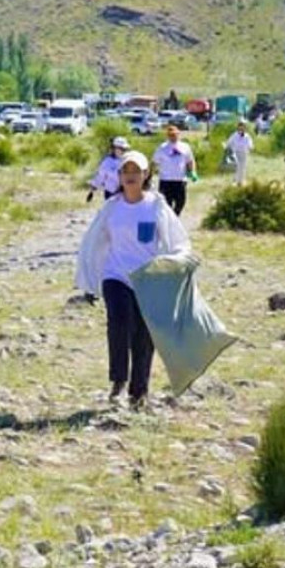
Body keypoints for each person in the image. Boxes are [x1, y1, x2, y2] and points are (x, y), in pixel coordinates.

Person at [77, 150, 189, 410]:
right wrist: (91, 272)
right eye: (125, 172)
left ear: (145, 174)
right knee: (119, 321)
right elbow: (94, 240)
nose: (130, 176)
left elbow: (177, 240)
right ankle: (118, 380)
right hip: (115, 275)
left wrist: (176, 264)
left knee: (143, 335)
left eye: (135, 171)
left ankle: (139, 392)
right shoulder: (112, 207)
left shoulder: (156, 206)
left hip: (148, 279)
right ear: (119, 176)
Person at [152, 125, 196, 216]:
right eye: (171, 135)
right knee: (166, 204)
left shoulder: (185, 147)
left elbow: (190, 161)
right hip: (166, 180)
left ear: (179, 134)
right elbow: (154, 162)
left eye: (175, 134)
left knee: (181, 202)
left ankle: (175, 217)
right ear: (167, 136)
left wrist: (193, 172)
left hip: (180, 180)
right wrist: (150, 175)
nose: (173, 136)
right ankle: (169, 220)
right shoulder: (162, 148)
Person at [88, 136, 129, 200]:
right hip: (111, 192)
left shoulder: (128, 160)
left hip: (125, 192)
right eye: (118, 148)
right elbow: (101, 175)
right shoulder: (107, 161)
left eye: (122, 149)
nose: (120, 151)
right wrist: (94, 186)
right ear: (113, 148)